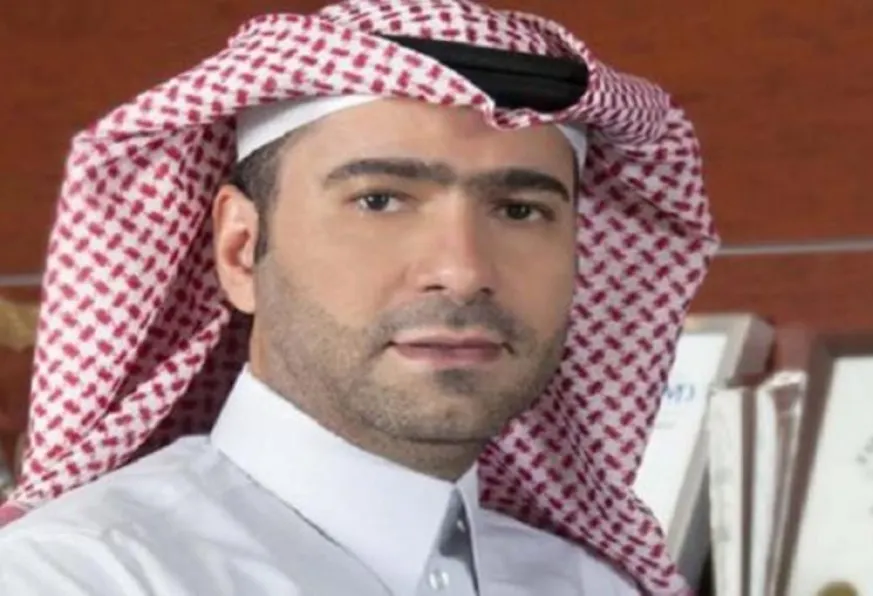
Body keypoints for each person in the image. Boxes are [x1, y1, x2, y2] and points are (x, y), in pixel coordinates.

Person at [0, 1, 718, 595]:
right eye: (380, 200)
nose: (462, 271)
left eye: (520, 210)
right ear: (241, 250)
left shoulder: (585, 583)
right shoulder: (82, 574)